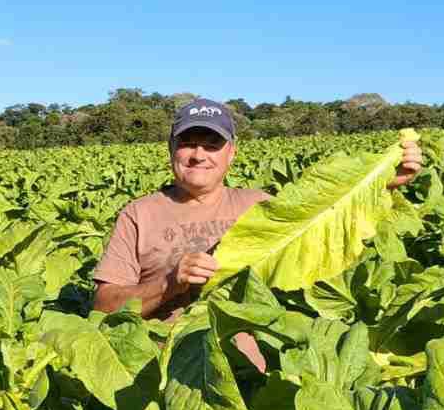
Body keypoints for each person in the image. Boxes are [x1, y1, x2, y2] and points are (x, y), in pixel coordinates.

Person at [90, 97, 423, 368]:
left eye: (212, 144)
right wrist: (170, 283)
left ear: (231, 153)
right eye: (188, 143)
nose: (199, 155)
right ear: (171, 149)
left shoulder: (260, 206)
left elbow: (325, 224)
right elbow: (103, 306)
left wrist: (383, 182)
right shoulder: (139, 214)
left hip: (249, 365)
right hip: (158, 362)